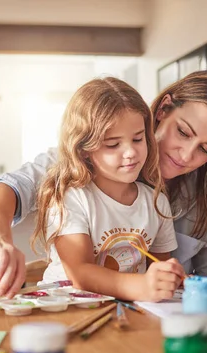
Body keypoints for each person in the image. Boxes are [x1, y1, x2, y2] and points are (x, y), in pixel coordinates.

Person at [0, 71, 207, 298]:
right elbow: (9, 189)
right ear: (163, 109)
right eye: (183, 132)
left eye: (206, 150)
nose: (186, 155)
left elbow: (202, 275)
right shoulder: (82, 166)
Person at [29, 77, 183, 301]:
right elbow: (81, 274)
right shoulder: (72, 198)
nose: (130, 152)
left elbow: (158, 268)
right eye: (113, 144)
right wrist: (143, 285)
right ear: (84, 150)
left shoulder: (156, 201)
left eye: (138, 139)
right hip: (64, 307)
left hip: (123, 310)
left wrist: (168, 278)